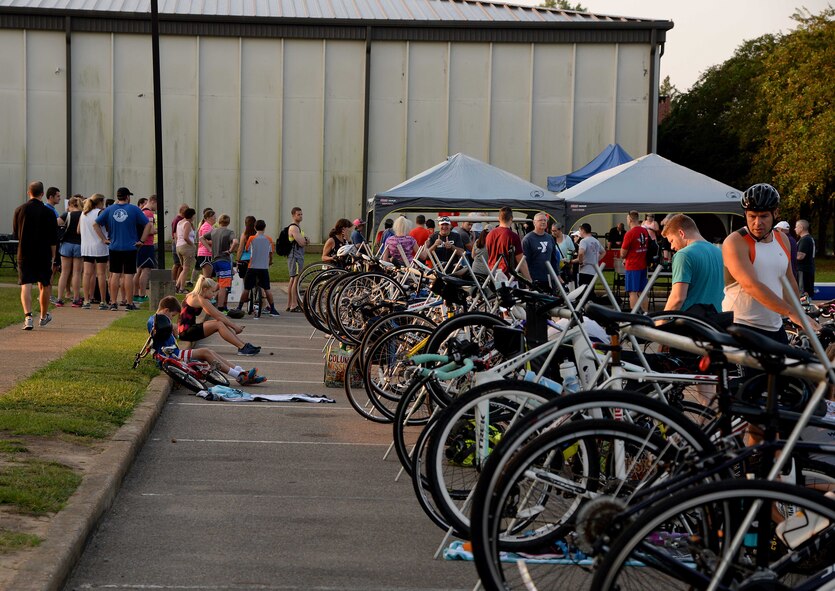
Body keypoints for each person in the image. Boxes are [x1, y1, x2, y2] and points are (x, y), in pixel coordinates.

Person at [721, 184, 817, 343]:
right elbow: (751, 285)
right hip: (741, 324)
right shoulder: (735, 242)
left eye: (764, 216)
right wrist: (792, 313)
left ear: (775, 213)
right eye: (752, 216)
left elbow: (788, 279)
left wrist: (800, 315)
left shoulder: (782, 239)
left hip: (774, 325)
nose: (757, 223)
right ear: (745, 214)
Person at [150, 296, 266, 385]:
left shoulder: (160, 320)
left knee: (210, 352)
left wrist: (173, 328)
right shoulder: (155, 321)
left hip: (173, 353)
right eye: (172, 315)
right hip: (170, 356)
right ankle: (238, 376)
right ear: (165, 310)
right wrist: (171, 327)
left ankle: (241, 371)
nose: (172, 318)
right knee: (205, 352)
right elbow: (157, 328)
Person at [94, 187, 153, 311]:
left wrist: (104, 239)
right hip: (130, 246)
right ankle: (129, 303)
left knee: (114, 274)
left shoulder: (109, 209)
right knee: (128, 275)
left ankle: (113, 302)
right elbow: (148, 224)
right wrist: (142, 240)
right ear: (127, 197)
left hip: (114, 246)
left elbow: (95, 224)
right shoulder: (134, 209)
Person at [13, 181, 58, 330]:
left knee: (25, 284)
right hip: (43, 253)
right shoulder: (49, 212)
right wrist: (53, 257)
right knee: (45, 284)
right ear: (43, 194)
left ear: (29, 192)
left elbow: (16, 233)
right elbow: (53, 238)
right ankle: (43, 316)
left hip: (25, 251)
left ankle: (28, 317)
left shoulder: (20, 210)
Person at [181, 276, 261, 356]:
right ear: (205, 289)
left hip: (186, 330)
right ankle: (242, 347)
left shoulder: (193, 295)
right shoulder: (200, 299)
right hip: (185, 333)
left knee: (219, 322)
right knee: (219, 324)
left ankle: (243, 345)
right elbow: (218, 315)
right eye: (212, 291)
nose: (213, 294)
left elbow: (218, 315)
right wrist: (235, 327)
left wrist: (232, 326)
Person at [661, 214, 724, 313]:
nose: (672, 247)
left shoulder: (683, 255)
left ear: (681, 233)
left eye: (672, 241)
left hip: (691, 322)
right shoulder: (719, 253)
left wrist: (661, 321)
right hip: (716, 321)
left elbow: (677, 298)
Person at [235, 219, 281, 318]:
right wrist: (269, 262)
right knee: (267, 288)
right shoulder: (269, 239)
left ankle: (239, 307)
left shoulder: (251, 238)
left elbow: (247, 249)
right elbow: (271, 254)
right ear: (264, 228)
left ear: (255, 227)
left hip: (252, 266)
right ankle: (272, 309)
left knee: (247, 288)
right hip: (263, 267)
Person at [80, 193, 110, 310]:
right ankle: (103, 301)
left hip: (86, 246)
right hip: (99, 246)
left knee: (87, 274)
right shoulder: (99, 213)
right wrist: (104, 238)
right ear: (100, 202)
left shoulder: (83, 213)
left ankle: (86, 300)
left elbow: (79, 230)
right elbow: (102, 226)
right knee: (101, 274)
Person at [485, 207, 531, 281]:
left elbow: (489, 253)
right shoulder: (513, 236)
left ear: (499, 218)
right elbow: (520, 261)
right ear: (511, 218)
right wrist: (529, 280)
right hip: (508, 277)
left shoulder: (490, 234)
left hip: (492, 274)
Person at [620, 210, 651, 312]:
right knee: (642, 292)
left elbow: (622, 253)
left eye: (627, 219)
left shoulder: (630, 233)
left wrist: (624, 255)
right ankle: (646, 313)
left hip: (632, 265)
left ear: (630, 219)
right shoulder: (645, 231)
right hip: (643, 264)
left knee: (632, 292)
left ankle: (634, 316)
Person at [56, 196, 84, 307]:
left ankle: (59, 299)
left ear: (70, 205)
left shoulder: (66, 215)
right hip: (79, 244)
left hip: (66, 244)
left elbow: (56, 223)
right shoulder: (83, 215)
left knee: (64, 273)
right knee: (77, 273)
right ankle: (76, 299)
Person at [206, 214, 238, 313]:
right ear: (228, 222)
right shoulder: (229, 232)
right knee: (224, 286)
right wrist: (230, 250)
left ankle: (210, 296)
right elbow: (236, 241)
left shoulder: (213, 231)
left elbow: (202, 238)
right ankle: (220, 307)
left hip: (215, 261)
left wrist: (209, 248)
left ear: (218, 221)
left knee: (220, 283)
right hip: (224, 260)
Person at [522, 212, 560, 290]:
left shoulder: (550, 238)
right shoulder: (528, 239)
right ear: (534, 223)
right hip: (535, 280)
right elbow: (524, 262)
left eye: (545, 220)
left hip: (550, 280)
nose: (543, 222)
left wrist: (558, 277)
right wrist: (528, 281)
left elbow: (553, 260)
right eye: (540, 220)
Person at [133, 195, 157, 303]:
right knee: (146, 271)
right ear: (152, 201)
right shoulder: (149, 213)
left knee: (138, 270)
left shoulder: (140, 212)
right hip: (147, 245)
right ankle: (142, 295)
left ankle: (135, 294)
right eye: (157, 204)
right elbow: (150, 230)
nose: (157, 208)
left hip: (140, 245)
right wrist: (158, 230)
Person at [286, 207, 308, 312]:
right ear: (293, 215)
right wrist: (305, 240)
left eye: (301, 214)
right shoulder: (294, 228)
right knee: (296, 278)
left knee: (293, 278)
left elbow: (304, 240)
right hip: (295, 256)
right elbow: (302, 242)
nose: (301, 216)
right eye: (298, 214)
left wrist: (305, 240)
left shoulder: (298, 227)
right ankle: (294, 304)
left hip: (296, 256)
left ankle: (290, 304)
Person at [175, 208, 197, 294]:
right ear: (191, 215)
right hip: (186, 247)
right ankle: (182, 288)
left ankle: (177, 285)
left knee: (183, 268)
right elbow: (185, 237)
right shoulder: (187, 223)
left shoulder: (180, 222)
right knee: (186, 269)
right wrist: (192, 245)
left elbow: (178, 235)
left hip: (179, 246)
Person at [575, 223, 603, 287]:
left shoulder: (583, 241)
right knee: (591, 291)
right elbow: (603, 252)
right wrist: (596, 259)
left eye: (580, 231)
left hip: (585, 270)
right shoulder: (596, 241)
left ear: (583, 230)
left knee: (583, 292)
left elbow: (581, 253)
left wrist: (581, 262)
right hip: (594, 271)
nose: (579, 233)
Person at [795, 219, 816, 298]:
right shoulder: (809, 238)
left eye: (796, 227)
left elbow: (800, 256)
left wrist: (788, 254)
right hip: (807, 269)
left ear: (801, 227)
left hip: (803, 270)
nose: (795, 229)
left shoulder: (805, 240)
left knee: (802, 293)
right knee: (805, 292)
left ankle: (803, 309)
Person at [170, 203, 188, 283]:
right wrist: (178, 244)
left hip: (179, 244)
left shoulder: (182, 219)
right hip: (177, 244)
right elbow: (174, 233)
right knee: (177, 263)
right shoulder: (177, 220)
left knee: (180, 264)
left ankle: (178, 280)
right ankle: (173, 280)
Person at [196, 209, 216, 279]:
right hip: (205, 254)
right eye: (213, 217)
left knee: (209, 277)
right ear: (207, 218)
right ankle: (201, 289)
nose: (215, 218)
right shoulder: (206, 226)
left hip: (207, 254)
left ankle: (206, 289)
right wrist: (217, 243)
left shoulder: (209, 226)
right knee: (206, 277)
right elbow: (205, 240)